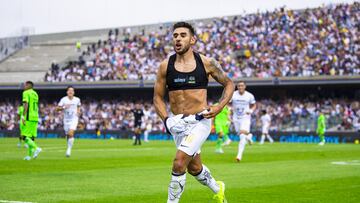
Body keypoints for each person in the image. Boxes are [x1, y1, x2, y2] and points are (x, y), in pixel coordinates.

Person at [153, 22, 234, 203]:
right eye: (175, 36)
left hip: (200, 122)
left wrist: (219, 106)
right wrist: (166, 120)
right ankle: (217, 188)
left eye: (183, 35)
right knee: (194, 168)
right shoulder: (165, 66)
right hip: (177, 124)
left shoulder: (206, 63)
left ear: (193, 39)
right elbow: (157, 98)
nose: (178, 39)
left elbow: (229, 84)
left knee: (179, 162)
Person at [231, 81, 256, 162]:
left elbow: (254, 104)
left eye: (242, 86)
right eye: (239, 86)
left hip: (245, 117)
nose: (240, 87)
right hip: (236, 117)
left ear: (245, 86)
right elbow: (227, 103)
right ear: (237, 87)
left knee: (242, 135)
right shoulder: (233, 94)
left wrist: (251, 110)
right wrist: (229, 108)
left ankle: (239, 155)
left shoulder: (249, 95)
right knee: (241, 134)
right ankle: (249, 137)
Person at [56, 86, 81, 157]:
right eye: (69, 90)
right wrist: (64, 107)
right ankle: (68, 146)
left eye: (72, 91)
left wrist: (78, 111)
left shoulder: (77, 99)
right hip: (66, 119)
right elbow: (57, 109)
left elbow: (79, 106)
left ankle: (69, 149)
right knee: (68, 135)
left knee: (71, 133)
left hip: (74, 118)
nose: (70, 92)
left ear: (74, 92)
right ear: (67, 92)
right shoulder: (63, 99)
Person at [21, 81, 42, 160]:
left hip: (29, 117)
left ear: (29, 85)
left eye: (25, 85)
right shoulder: (35, 94)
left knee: (24, 136)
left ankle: (36, 148)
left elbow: (26, 104)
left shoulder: (26, 93)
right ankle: (29, 156)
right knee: (31, 138)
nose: (24, 86)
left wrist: (23, 116)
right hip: (35, 116)